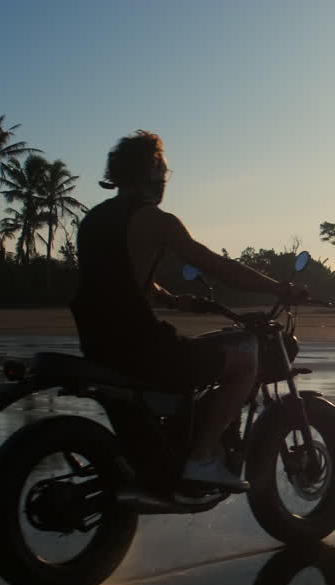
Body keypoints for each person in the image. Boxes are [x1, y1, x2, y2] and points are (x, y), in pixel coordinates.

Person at [70, 130, 294, 502]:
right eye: (163, 167)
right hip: (141, 347)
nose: (165, 177)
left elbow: (116, 279)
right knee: (245, 353)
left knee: (193, 358)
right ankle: (202, 458)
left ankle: (172, 449)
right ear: (151, 169)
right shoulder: (156, 220)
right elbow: (217, 266)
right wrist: (278, 288)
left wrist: (170, 299)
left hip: (97, 344)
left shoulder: (93, 220)